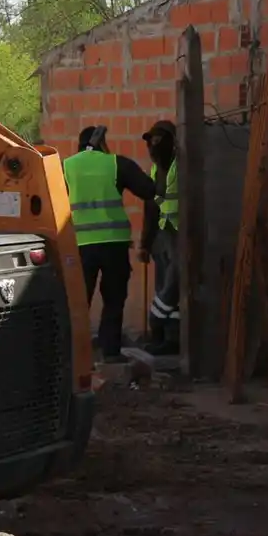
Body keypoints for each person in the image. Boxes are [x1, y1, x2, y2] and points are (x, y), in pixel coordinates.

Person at [63, 125, 157, 363]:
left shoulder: (66, 167)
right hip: (114, 244)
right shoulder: (116, 164)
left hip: (81, 244)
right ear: (102, 143)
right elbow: (148, 190)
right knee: (114, 298)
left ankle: (74, 354)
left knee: (79, 300)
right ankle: (111, 352)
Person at [139, 119, 180, 355]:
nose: (153, 145)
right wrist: (145, 243)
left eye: (158, 139)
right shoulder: (156, 169)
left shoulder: (180, 165)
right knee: (166, 284)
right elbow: (150, 207)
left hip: (179, 233)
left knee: (173, 285)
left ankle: (157, 323)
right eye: (151, 140)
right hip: (162, 235)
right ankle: (167, 337)